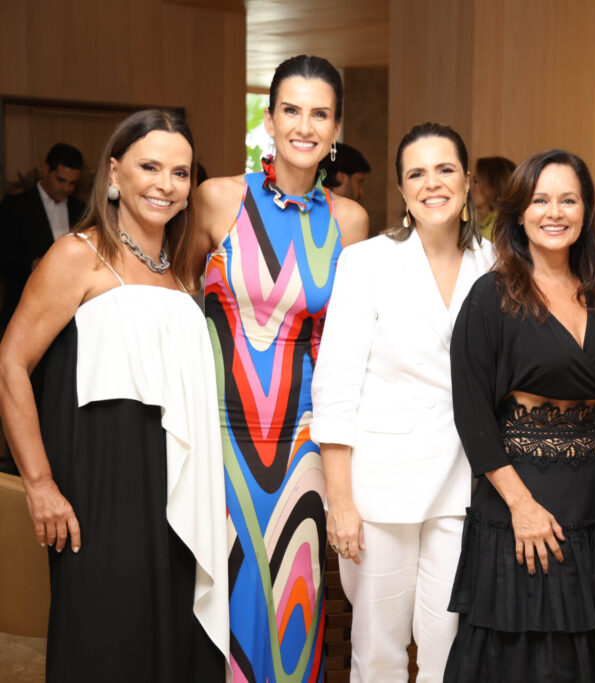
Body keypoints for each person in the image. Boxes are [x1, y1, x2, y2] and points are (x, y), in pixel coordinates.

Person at [0, 110, 228, 681]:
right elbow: (11, 361)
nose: (165, 184)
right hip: (99, 494)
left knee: (172, 644)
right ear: (114, 173)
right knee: (106, 641)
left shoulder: (184, 269)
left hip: (178, 491)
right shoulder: (79, 254)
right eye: (149, 167)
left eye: (180, 172)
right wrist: (39, 483)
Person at [444, 149, 595, 683]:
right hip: (523, 496)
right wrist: (522, 507)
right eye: (540, 200)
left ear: (586, 211)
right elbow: (472, 415)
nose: (554, 212)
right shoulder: (491, 296)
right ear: (518, 212)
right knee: (526, 656)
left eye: (568, 200)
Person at [196, 54, 369, 682]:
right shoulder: (218, 199)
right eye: (291, 110)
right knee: (225, 593)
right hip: (220, 436)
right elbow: (176, 306)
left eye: (320, 114)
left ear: (336, 127)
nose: (304, 125)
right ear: (268, 120)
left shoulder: (349, 222)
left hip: (303, 440)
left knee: (297, 596)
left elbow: (349, 344)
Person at [310, 122, 494, 682]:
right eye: (417, 173)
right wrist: (341, 500)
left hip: (465, 484)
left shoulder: (496, 263)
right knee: (378, 650)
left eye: (445, 170)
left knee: (449, 648)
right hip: (380, 486)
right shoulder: (367, 262)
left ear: (467, 182)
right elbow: (336, 385)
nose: (432, 183)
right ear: (402, 189)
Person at [0, 143, 86, 334]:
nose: (66, 188)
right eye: (61, 180)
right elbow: (3, 257)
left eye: (72, 183)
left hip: (70, 315)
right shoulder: (15, 206)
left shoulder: (81, 210)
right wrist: (33, 264)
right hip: (24, 312)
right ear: (46, 170)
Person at [472, 155, 515, 241]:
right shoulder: (484, 224)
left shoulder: (499, 228)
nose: (471, 188)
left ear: (493, 185)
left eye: (476, 181)